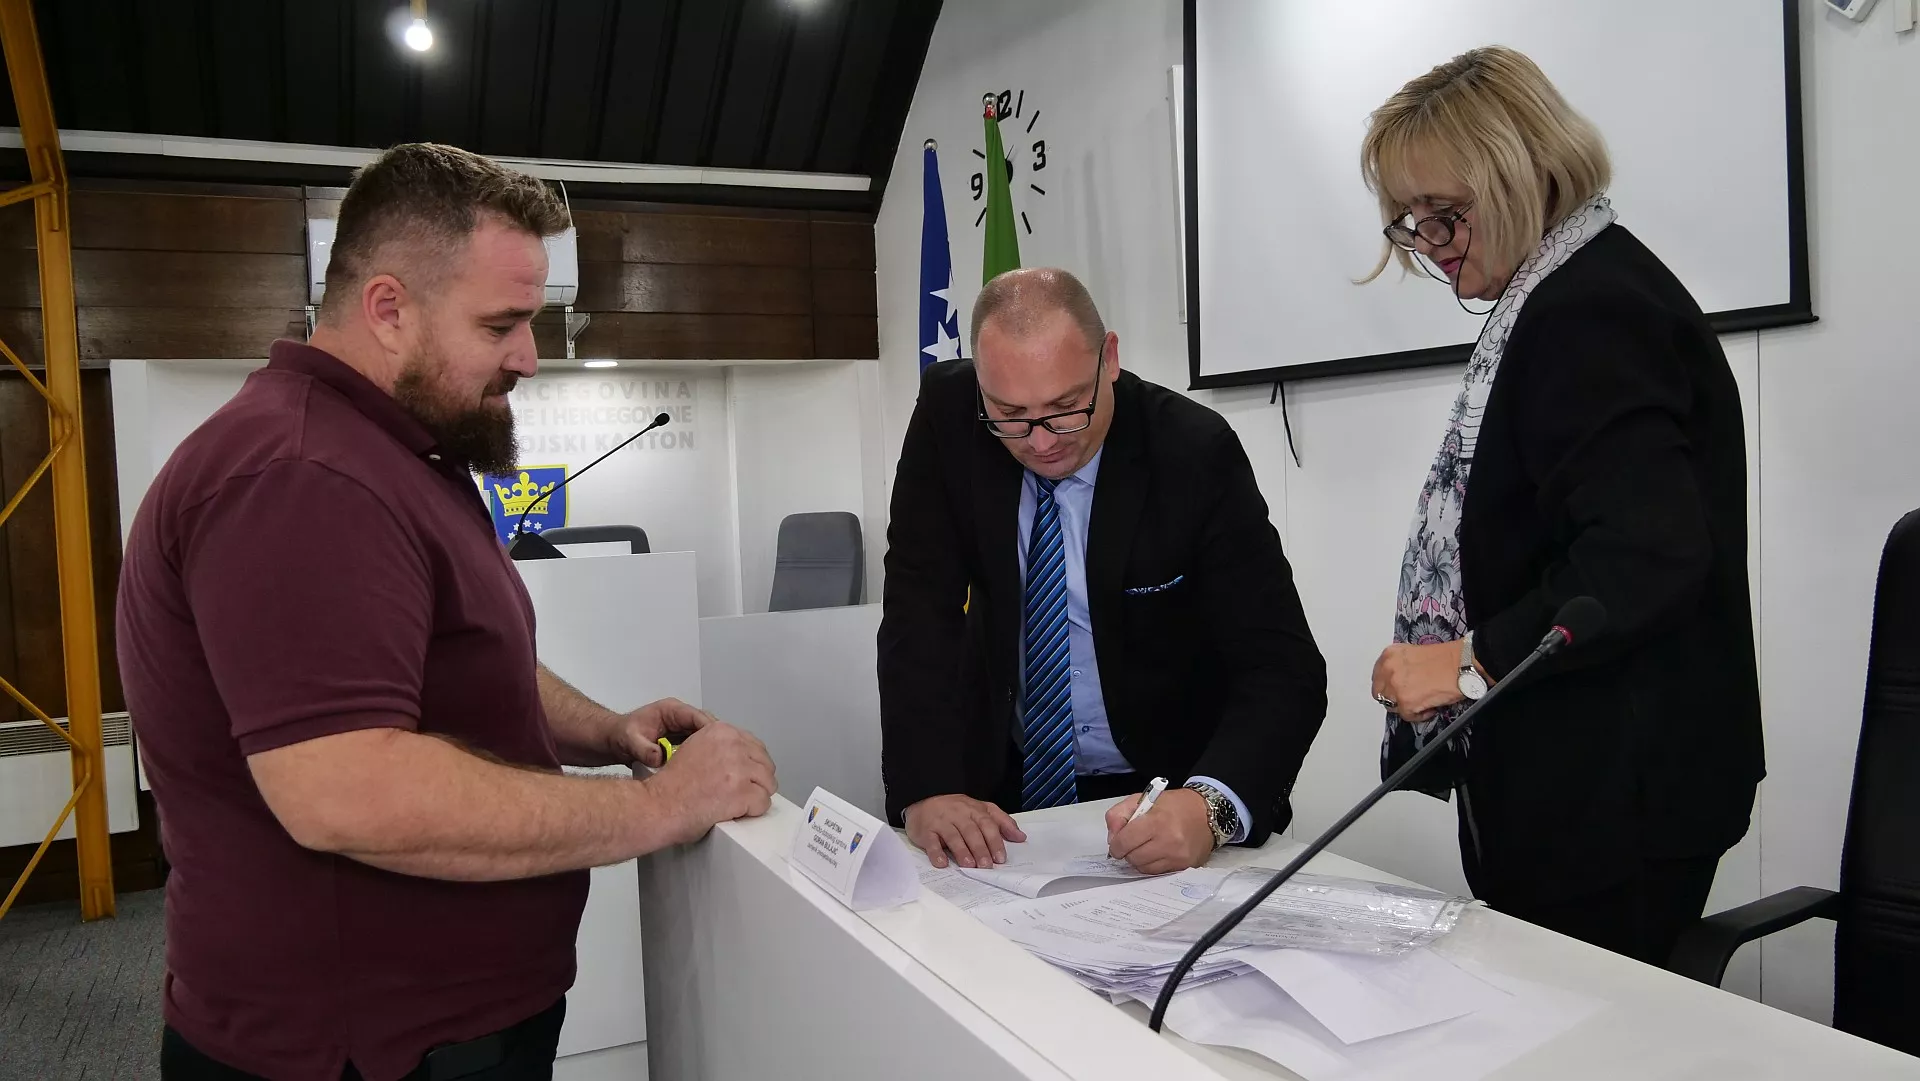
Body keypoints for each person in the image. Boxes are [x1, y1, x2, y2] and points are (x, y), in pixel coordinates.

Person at [117, 143, 777, 1081]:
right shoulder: (304, 477)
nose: (530, 358)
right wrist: (662, 805)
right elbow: (348, 790)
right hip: (360, 1052)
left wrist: (605, 730)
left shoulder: (391, 451)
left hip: (436, 1028)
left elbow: (458, 658)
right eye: (502, 324)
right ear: (388, 308)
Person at [1359, 47, 1763, 967]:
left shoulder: (1590, 309)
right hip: (1586, 783)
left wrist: (1469, 663)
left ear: (1522, 174)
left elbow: (1644, 553)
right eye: (1410, 220)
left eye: (1446, 213)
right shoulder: (1565, 290)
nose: (1430, 241)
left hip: (1617, 794)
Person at [879, 267, 1327, 876]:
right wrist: (927, 787)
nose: (1041, 442)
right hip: (1002, 792)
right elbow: (917, 612)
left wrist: (1211, 806)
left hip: (1163, 795)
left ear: (1109, 359)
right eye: (1010, 414)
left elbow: (1283, 667)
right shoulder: (948, 417)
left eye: (1066, 408)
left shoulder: (1192, 451)